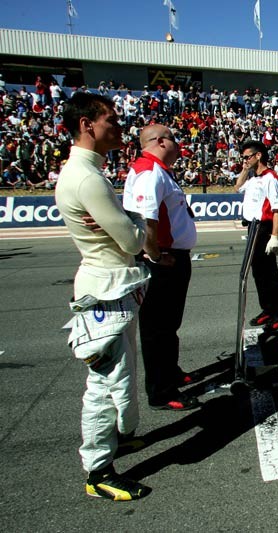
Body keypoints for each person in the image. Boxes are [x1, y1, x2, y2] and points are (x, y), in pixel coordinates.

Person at [56, 92, 150, 500]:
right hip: (105, 291)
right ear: (86, 124)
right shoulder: (87, 178)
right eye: (110, 119)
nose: (118, 126)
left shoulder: (87, 172)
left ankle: (118, 439)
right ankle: (97, 471)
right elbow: (131, 240)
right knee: (105, 385)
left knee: (120, 379)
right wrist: (138, 220)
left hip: (114, 288)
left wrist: (127, 225)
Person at [123, 124, 199, 411]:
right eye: (174, 138)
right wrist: (154, 255)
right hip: (163, 259)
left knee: (169, 324)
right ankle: (161, 391)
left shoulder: (159, 171)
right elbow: (147, 219)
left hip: (171, 256)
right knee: (157, 327)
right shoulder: (150, 172)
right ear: (161, 141)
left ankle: (170, 373)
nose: (178, 144)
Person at [236, 140, 278, 328]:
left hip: (263, 228)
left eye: (247, 157)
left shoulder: (271, 178)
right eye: (243, 158)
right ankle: (268, 309)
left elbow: (277, 209)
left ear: (259, 155)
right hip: (252, 227)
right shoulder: (252, 177)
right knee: (258, 272)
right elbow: (237, 188)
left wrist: (274, 237)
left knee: (269, 272)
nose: (245, 160)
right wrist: (244, 169)